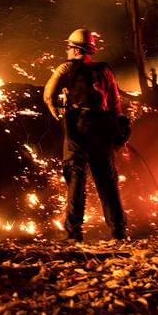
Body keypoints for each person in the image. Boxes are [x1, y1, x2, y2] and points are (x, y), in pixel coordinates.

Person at [42, 28, 127, 241]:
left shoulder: (65, 68)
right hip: (102, 131)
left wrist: (59, 115)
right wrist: (117, 129)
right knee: (107, 183)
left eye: (69, 47)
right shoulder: (104, 70)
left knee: (76, 181)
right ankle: (118, 232)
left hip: (77, 131)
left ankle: (74, 233)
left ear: (74, 49)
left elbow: (48, 95)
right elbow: (115, 103)